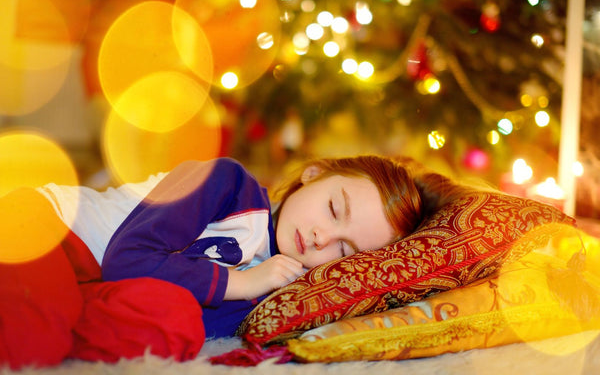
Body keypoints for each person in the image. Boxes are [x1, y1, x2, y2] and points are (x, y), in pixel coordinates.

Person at [0, 154, 470, 369]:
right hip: (50, 230)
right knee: (33, 334)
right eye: (333, 208)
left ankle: (60, 318)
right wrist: (238, 283)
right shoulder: (226, 184)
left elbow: (199, 323)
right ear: (315, 174)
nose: (322, 238)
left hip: (92, 285)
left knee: (174, 323)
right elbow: (129, 259)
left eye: (344, 250)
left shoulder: (280, 284)